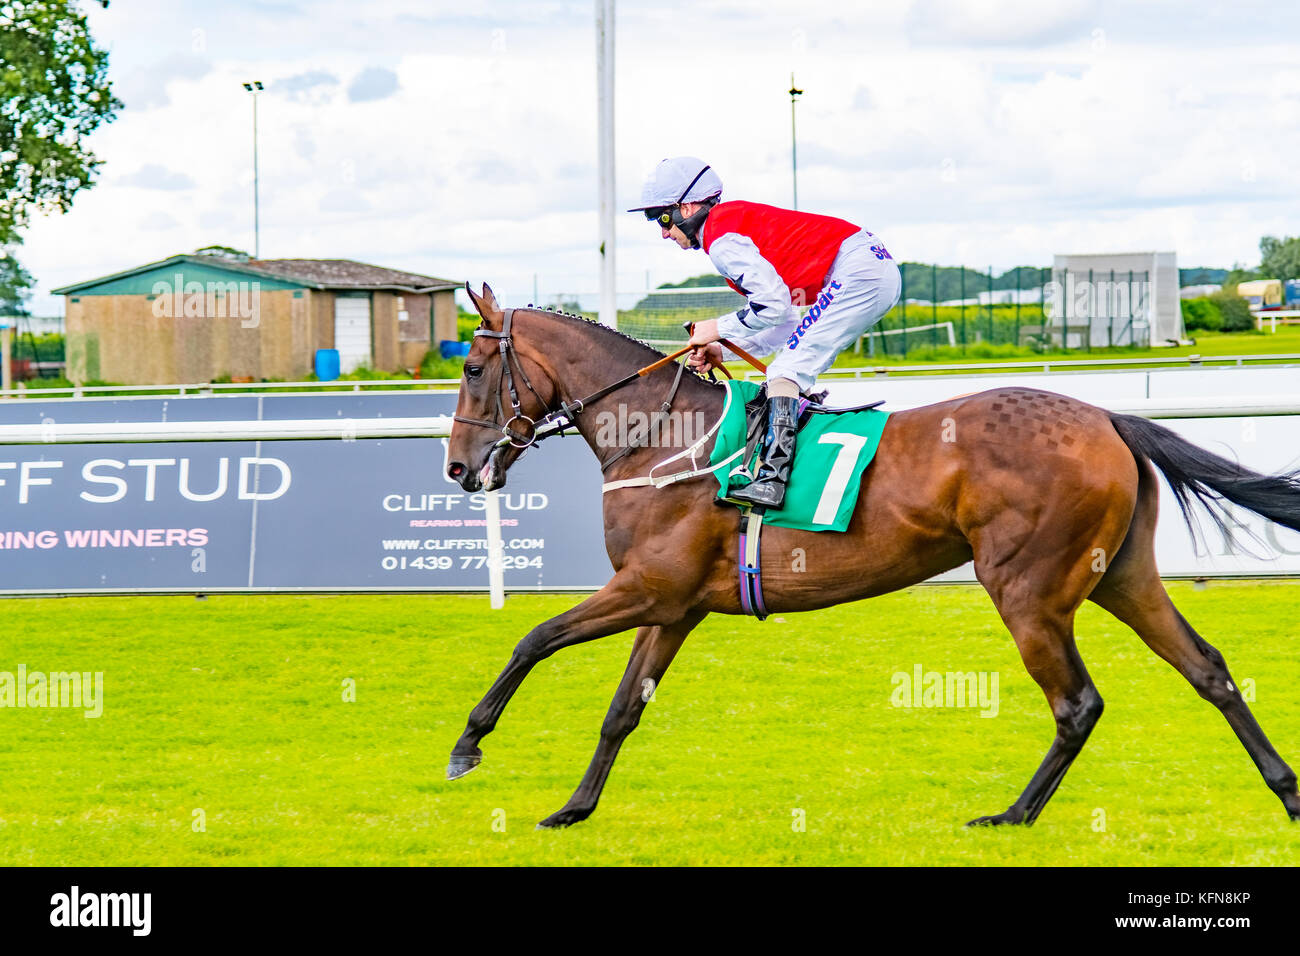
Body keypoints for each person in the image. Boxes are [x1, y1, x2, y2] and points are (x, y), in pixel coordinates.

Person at [628, 156, 901, 510]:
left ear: (688, 206)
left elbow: (770, 306)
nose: (664, 232)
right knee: (789, 363)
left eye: (661, 218)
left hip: (858, 271)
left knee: (785, 372)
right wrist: (721, 350)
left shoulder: (721, 239)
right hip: (867, 267)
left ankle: (772, 480)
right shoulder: (728, 229)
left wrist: (714, 328)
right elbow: (783, 321)